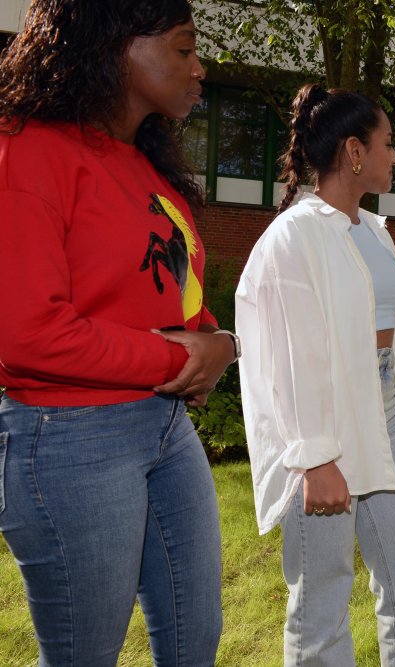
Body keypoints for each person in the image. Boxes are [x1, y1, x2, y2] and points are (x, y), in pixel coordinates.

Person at [0, 1, 230, 663]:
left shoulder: (148, 168)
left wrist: (220, 344)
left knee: (195, 640)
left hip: (163, 428)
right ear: (121, 44)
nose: (199, 67)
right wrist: (174, 358)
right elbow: (28, 334)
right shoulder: (28, 148)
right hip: (69, 440)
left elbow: (181, 305)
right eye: (184, 49)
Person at [236, 84, 395, 666]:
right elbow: (289, 356)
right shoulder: (293, 236)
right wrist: (317, 456)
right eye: (387, 144)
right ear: (354, 151)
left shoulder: (375, 231)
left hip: (385, 416)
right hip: (322, 430)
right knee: (321, 601)